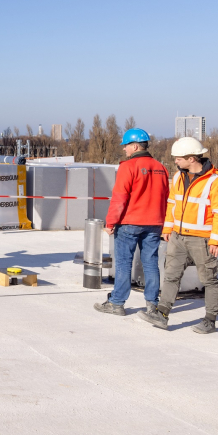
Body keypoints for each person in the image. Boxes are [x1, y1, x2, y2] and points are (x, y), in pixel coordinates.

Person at [140, 137, 218, 334]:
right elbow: (172, 205)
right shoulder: (179, 177)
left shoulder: (216, 181)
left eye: (178, 158)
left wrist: (216, 240)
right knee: (171, 275)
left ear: (191, 158)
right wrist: (167, 229)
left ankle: (210, 319)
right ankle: (161, 314)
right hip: (178, 237)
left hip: (202, 240)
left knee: (209, 280)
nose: (175, 161)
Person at [94, 129, 169, 317]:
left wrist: (111, 222)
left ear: (135, 146)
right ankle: (152, 304)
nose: (125, 150)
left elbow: (119, 198)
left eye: (126, 146)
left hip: (129, 223)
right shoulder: (161, 167)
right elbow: (167, 197)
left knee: (124, 264)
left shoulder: (128, 167)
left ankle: (117, 303)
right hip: (154, 223)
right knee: (151, 263)